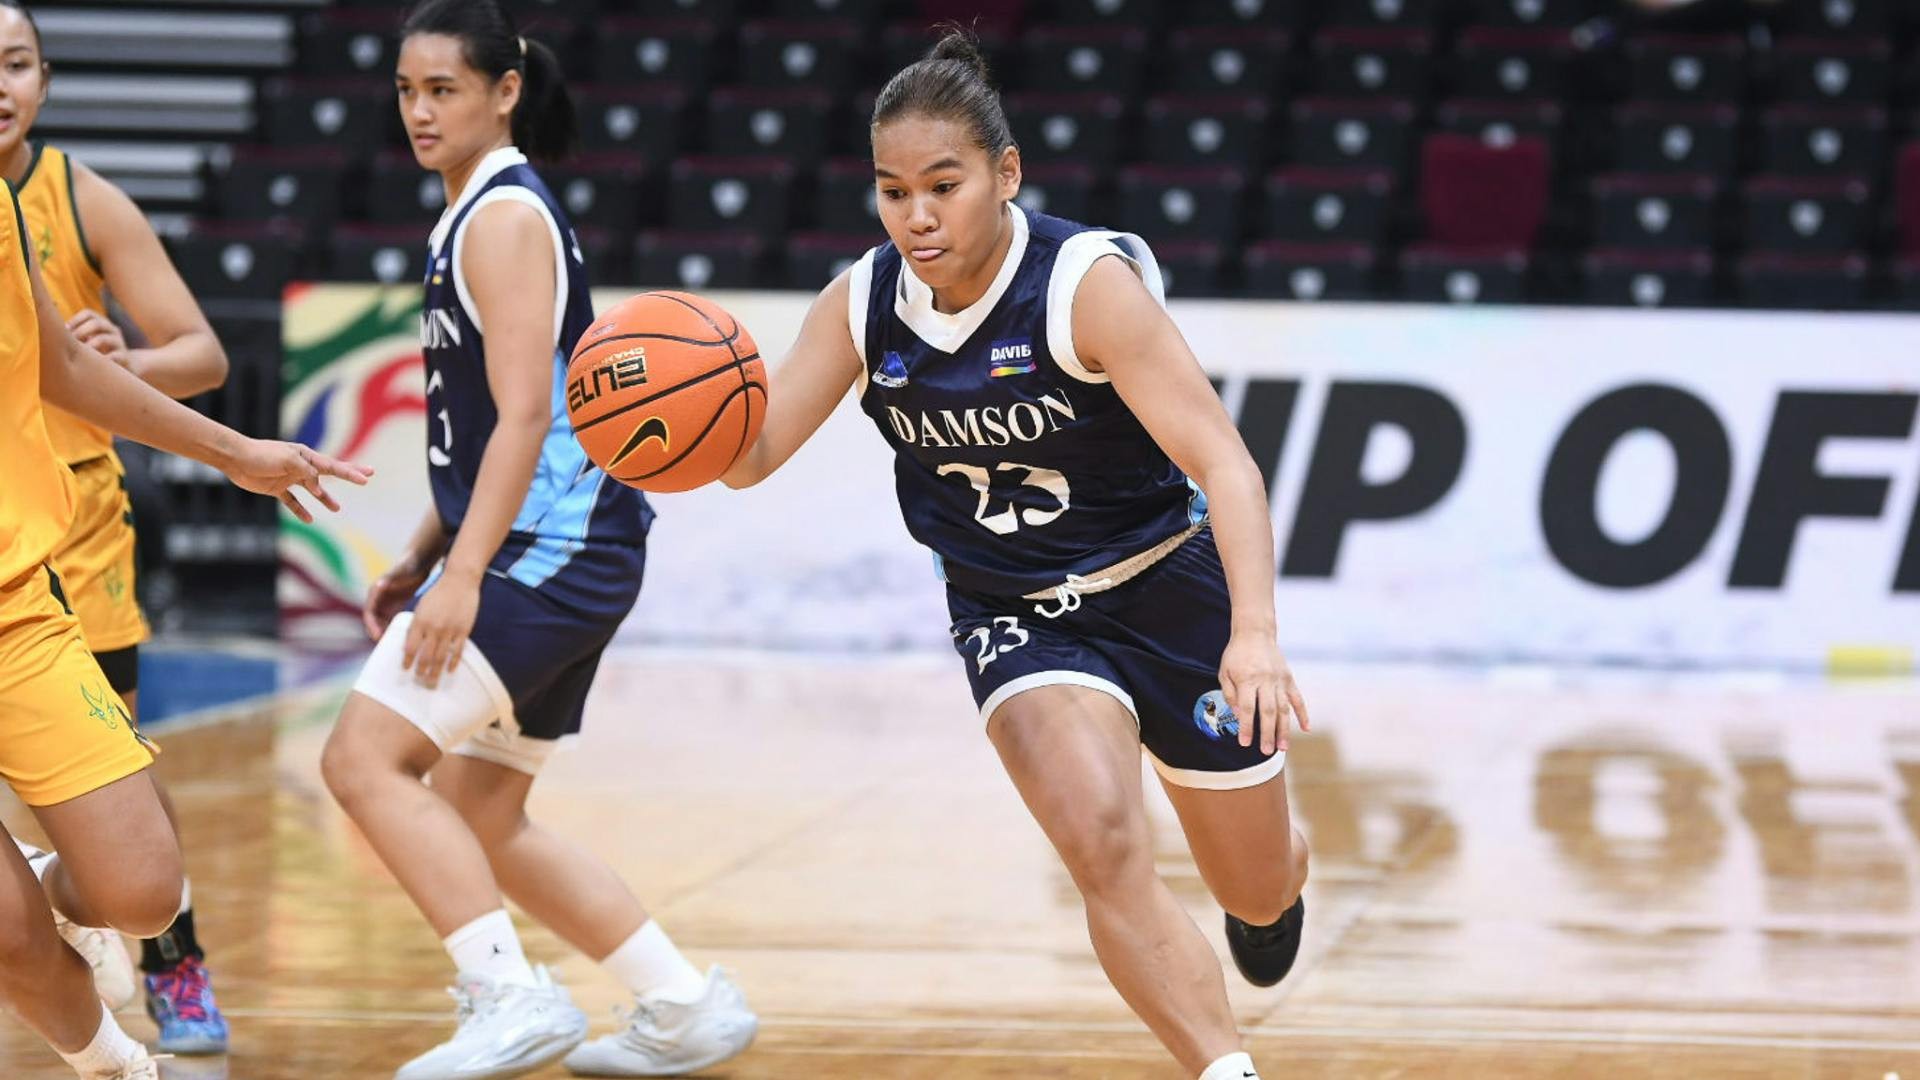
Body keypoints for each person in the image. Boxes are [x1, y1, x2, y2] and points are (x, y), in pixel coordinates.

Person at [721, 30, 1312, 1080]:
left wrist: (1256, 636)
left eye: (941, 186)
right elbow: (751, 457)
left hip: (1166, 585)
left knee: (1255, 885)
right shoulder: (862, 303)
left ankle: (1275, 887)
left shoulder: (1087, 285)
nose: (916, 215)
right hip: (1013, 611)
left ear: (1005, 175)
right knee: (1101, 842)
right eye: (893, 191)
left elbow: (1226, 463)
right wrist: (664, 427)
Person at [316, 3, 755, 1077]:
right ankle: (684, 1003)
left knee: (363, 760)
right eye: (407, 91)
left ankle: (509, 997)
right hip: (562, 548)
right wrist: (425, 553)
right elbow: (493, 422)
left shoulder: (504, 217)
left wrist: (463, 574)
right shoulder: (477, 209)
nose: (419, 112)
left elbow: (524, 416)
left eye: (444, 90)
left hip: (547, 552)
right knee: (484, 812)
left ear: (505, 91)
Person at [0, 164, 367, 1079]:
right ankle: (122, 1064)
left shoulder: (34, 203)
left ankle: (49, 882)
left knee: (142, 892)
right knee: (7, 932)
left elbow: (66, 364)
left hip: (23, 589)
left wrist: (235, 452)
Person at [0, 0, 235, 1051]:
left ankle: (174, 961)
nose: (0, 86)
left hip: (76, 525)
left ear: (46, 81)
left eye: (16, 64)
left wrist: (127, 360)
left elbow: (201, 353)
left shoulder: (81, 200)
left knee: (120, 784)